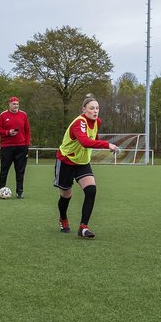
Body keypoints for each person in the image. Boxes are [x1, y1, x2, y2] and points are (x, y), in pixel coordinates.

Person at [54, 94, 116, 238]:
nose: (95, 111)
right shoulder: (79, 122)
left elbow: (94, 140)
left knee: (91, 190)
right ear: (84, 110)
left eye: (97, 108)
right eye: (91, 108)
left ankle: (83, 227)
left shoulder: (97, 122)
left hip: (82, 163)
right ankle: (63, 218)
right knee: (66, 195)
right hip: (66, 161)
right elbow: (85, 141)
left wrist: (106, 147)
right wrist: (108, 145)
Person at [0, 95, 31, 198]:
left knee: (20, 171)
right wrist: (7, 132)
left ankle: (20, 192)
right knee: (4, 170)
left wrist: (27, 145)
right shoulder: (3, 115)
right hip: (7, 147)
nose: (16, 106)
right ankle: (0, 190)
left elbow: (27, 131)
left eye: (17, 104)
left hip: (21, 147)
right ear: (9, 104)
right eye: (14, 104)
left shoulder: (23, 115)